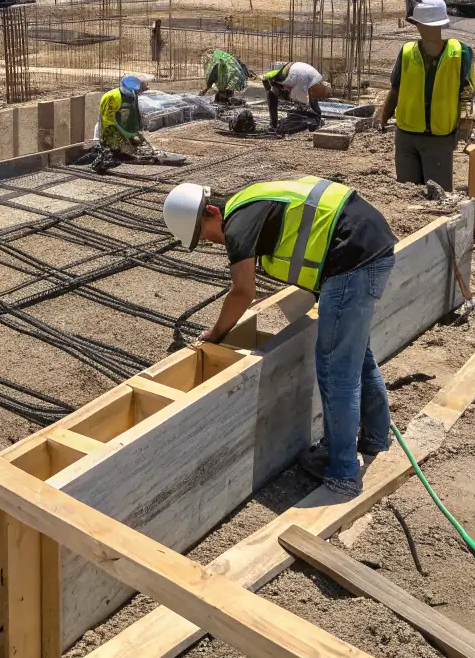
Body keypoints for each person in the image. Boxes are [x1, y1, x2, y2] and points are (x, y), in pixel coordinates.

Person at [162, 175, 396, 497]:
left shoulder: (237, 225)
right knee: (357, 357)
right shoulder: (249, 204)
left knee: (335, 368)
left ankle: (342, 471)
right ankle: (375, 438)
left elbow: (243, 291)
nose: (210, 242)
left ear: (212, 212)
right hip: (367, 247)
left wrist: (215, 334)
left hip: (353, 258)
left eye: (204, 235)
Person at [378, 0, 475, 191]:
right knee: (407, 193)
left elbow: (468, 93)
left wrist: (466, 124)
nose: (421, 28)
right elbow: (396, 89)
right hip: (406, 135)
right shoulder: (407, 51)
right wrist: (383, 115)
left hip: (440, 138)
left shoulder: (460, 53)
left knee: (438, 194)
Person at [261, 61, 332, 130]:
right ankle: (274, 124)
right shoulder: (309, 80)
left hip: (295, 73)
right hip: (294, 74)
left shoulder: (314, 79)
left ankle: (273, 124)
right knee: (272, 95)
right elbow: (299, 99)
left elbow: (301, 100)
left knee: (309, 101)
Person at [97, 74, 150, 160]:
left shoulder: (131, 95)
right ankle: (110, 148)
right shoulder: (112, 98)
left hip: (121, 124)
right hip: (111, 128)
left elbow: (133, 115)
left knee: (137, 142)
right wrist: (125, 134)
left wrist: (135, 131)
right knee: (122, 149)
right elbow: (108, 121)